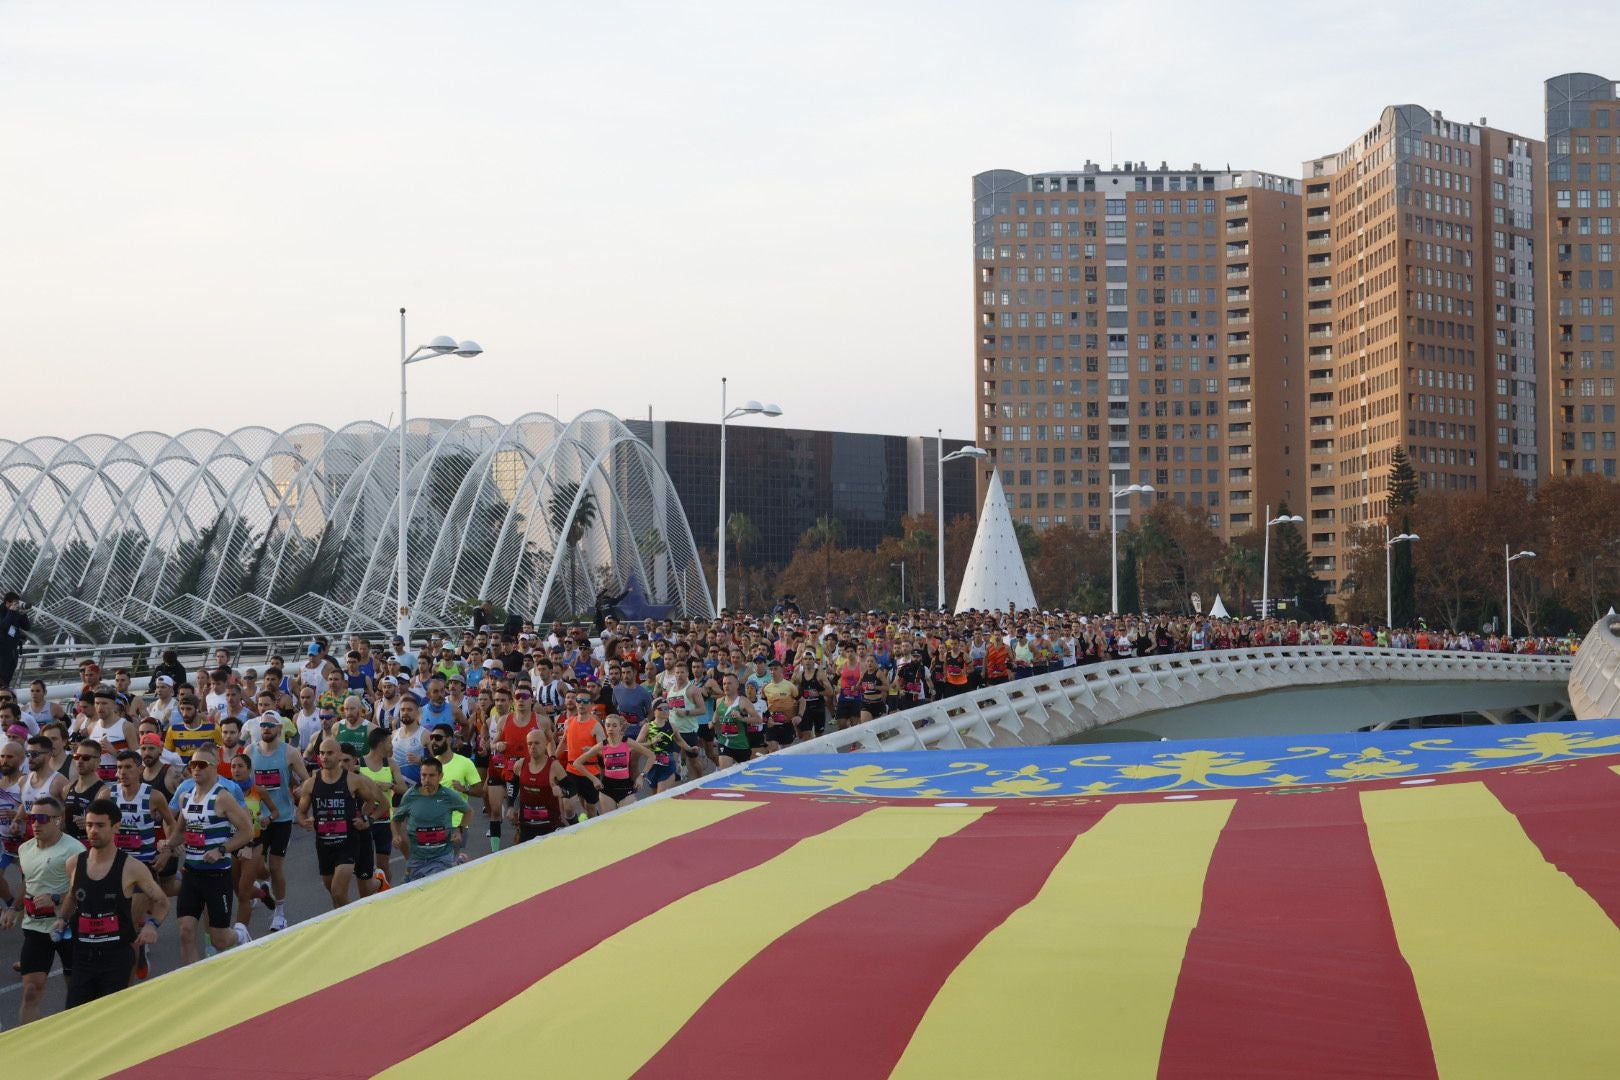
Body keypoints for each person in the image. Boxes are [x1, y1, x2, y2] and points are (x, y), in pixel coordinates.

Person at [56, 798, 167, 1008]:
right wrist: (62, 919)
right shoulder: (74, 864)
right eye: (89, 825)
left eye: (100, 825)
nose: (93, 831)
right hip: (82, 955)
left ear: (116, 827)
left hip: (116, 957)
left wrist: (152, 925)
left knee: (109, 1018)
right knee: (74, 1015)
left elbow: (161, 901)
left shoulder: (132, 867)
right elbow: (72, 896)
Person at [166, 750, 254, 965]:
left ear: (214, 767)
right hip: (191, 873)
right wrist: (167, 844)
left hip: (217, 876)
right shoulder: (186, 797)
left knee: (220, 939)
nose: (196, 768)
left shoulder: (222, 796)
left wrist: (221, 850)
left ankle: (241, 934)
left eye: (202, 764)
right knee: (186, 932)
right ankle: (194, 983)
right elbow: (179, 833)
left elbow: (247, 831)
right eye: (193, 764)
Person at [5, 796, 83, 1025]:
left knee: (75, 991)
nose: (35, 824)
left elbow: (83, 892)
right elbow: (26, 883)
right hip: (35, 927)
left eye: (41, 818)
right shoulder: (25, 848)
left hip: (67, 926)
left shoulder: (74, 850)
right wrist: (13, 908)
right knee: (30, 991)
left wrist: (56, 899)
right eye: (32, 818)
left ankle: (78, 1037)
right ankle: (30, 1050)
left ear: (57, 821)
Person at [296, 738, 388, 909]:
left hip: (352, 839)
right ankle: (376, 885)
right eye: (322, 753)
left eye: (329, 753)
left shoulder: (358, 780)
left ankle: (355, 924)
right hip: (324, 843)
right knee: (334, 894)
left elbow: (380, 804)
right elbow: (300, 812)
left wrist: (365, 819)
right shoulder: (311, 783)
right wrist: (304, 821)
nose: (324, 757)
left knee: (350, 890)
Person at [246, 710, 307, 933]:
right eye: (263, 725)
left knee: (275, 866)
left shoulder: (289, 752)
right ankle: (264, 885)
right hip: (257, 819)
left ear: (280, 729)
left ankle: (280, 913)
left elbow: (306, 780)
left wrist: (301, 790)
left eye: (271, 725)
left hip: (281, 817)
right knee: (255, 867)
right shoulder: (250, 751)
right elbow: (243, 783)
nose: (266, 729)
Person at [392, 758, 467, 882]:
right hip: (417, 858)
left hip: (441, 856)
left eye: (431, 775)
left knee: (433, 884)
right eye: (423, 775)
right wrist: (395, 836)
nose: (427, 780)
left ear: (440, 776)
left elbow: (469, 811)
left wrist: (459, 830)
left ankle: (453, 864)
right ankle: (457, 863)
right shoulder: (410, 796)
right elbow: (396, 820)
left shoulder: (448, 795)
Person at [570, 716, 652, 811]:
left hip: (625, 786)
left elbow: (651, 756)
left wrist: (641, 776)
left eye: (614, 725)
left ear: (620, 727)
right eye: (608, 725)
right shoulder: (601, 745)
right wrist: (594, 779)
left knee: (627, 819)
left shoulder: (627, 742)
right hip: (607, 789)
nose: (610, 728)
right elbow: (577, 763)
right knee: (610, 822)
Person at [506, 729, 565, 842]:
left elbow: (571, 788)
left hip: (549, 825)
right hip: (526, 825)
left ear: (545, 744)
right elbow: (513, 784)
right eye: (530, 743)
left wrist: (562, 791)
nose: (533, 746)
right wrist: (510, 805)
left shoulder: (554, 766)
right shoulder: (520, 765)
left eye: (537, 743)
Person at [0, 593, 29, 690]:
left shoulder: (15, 612)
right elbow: (4, 626)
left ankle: (5, 698)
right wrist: (11, 612)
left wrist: (23, 613)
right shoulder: (1, 612)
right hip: (2, 653)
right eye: (15, 603)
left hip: (13, 651)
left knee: (7, 681)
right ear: (7, 602)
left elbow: (27, 627)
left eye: (18, 602)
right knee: (1, 681)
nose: (17, 605)